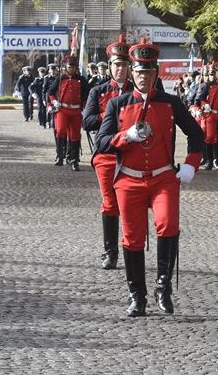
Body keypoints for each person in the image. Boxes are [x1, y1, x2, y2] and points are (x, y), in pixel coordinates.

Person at [96, 38, 204, 317]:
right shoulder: (117, 104)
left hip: (163, 178)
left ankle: (163, 287)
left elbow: (196, 134)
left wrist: (191, 164)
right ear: (132, 73)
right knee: (132, 238)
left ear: (156, 73)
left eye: (149, 71)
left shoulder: (170, 103)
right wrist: (126, 136)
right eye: (139, 72)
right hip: (129, 180)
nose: (144, 77)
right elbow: (102, 142)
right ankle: (137, 295)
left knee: (168, 225)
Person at [82, 33, 133, 270]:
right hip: (107, 153)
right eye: (116, 65)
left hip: (133, 154)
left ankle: (131, 247)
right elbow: (88, 121)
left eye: (124, 65)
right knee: (110, 203)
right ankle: (110, 251)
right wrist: (111, 116)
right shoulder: (98, 91)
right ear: (109, 67)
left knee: (131, 204)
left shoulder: (139, 90)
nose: (120, 69)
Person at [48, 55, 90, 170]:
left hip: (76, 110)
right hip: (63, 109)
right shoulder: (60, 79)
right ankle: (60, 156)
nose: (71, 69)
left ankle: (74, 159)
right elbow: (50, 92)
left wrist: (86, 108)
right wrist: (54, 101)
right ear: (65, 67)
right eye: (69, 67)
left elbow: (89, 94)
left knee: (75, 134)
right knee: (60, 130)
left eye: (73, 67)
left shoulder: (81, 79)